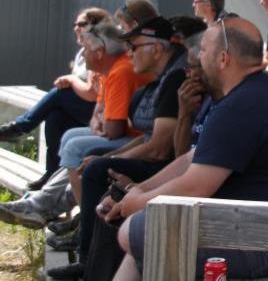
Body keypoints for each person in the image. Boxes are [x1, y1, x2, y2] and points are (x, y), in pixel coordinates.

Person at [106, 17, 268, 281]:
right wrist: (139, 190)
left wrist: (137, 203)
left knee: (133, 232)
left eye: (203, 50)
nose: (197, 57)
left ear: (223, 58)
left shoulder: (241, 105)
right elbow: (193, 158)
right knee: (144, 235)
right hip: (264, 230)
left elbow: (195, 187)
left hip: (266, 242)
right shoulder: (255, 92)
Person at [45, 16, 191, 279]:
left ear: (157, 49)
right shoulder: (162, 77)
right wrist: (113, 155)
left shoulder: (175, 77)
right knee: (96, 160)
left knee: (97, 169)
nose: (129, 52)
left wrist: (109, 160)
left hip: (169, 166)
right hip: (163, 160)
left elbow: (159, 148)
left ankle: (88, 260)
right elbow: (146, 137)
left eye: (134, 47)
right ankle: (88, 249)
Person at [0, 7, 110, 188]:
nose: (76, 28)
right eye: (75, 24)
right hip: (82, 109)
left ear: (96, 27)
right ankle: (51, 174)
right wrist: (71, 81)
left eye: (82, 24)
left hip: (99, 112)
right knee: (54, 117)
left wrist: (71, 79)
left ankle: (19, 128)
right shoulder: (82, 53)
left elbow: (92, 93)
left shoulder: (98, 50)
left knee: (60, 94)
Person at [59, 22, 153, 206]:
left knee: (74, 147)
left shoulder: (120, 71)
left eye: (86, 48)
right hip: (128, 133)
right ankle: (81, 209)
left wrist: (103, 121)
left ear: (100, 52)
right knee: (69, 135)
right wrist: (98, 121)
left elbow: (114, 130)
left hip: (139, 138)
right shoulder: (109, 70)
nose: (83, 54)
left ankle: (86, 214)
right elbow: (100, 113)